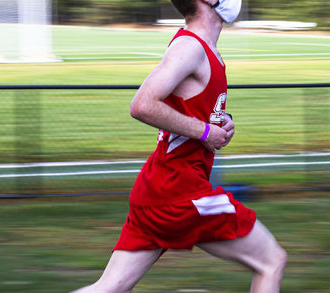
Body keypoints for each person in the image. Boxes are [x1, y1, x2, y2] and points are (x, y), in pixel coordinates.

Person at [71, 1, 287, 292]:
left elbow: (190, 111)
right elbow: (142, 105)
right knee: (271, 261)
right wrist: (204, 131)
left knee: (108, 287)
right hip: (180, 192)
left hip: (157, 189)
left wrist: (220, 124)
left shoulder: (204, 48)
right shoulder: (191, 48)